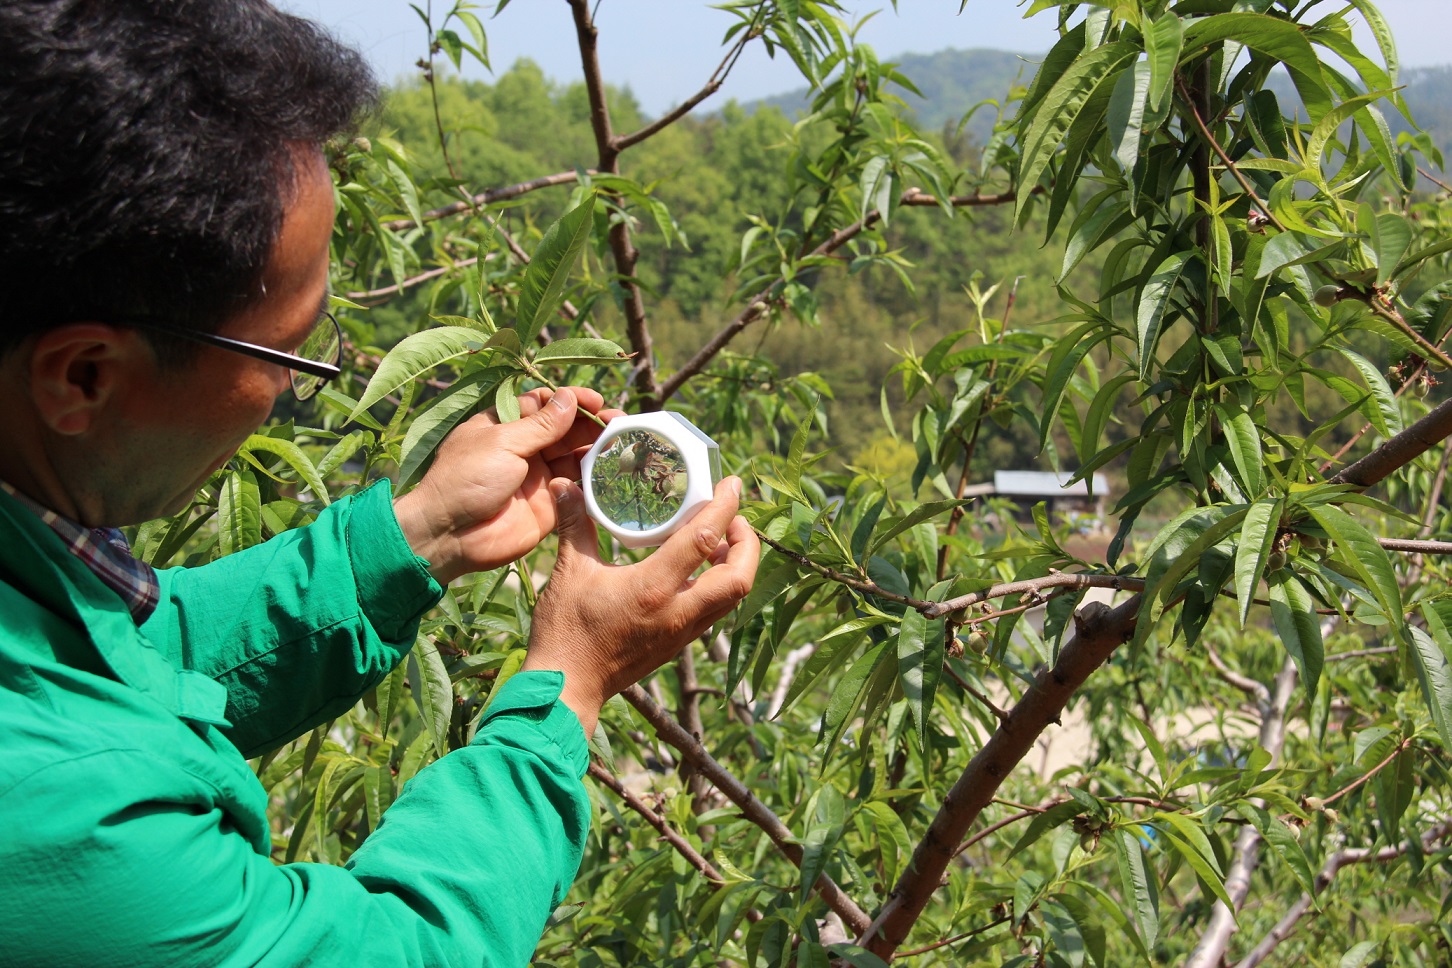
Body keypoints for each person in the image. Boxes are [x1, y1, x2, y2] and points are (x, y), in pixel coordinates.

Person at [0, 1, 760, 965]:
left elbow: (125, 661)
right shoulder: (75, 820)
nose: (283, 395)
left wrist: (416, 536)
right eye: (283, 355)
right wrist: (567, 686)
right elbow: (398, 949)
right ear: (84, 376)